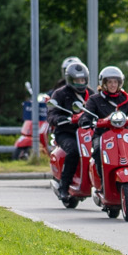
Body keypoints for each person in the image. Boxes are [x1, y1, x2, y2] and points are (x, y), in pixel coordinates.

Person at [50, 57, 91, 195]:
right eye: (77, 81)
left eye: (83, 80)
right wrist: (61, 119)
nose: (80, 83)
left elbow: (101, 109)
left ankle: (99, 183)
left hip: (88, 132)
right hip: (67, 132)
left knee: (100, 150)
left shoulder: (91, 94)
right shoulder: (60, 93)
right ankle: (64, 187)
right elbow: (52, 113)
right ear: (70, 80)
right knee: (73, 151)